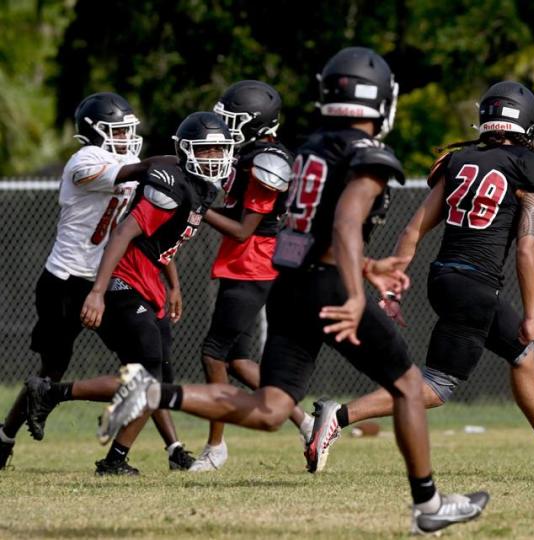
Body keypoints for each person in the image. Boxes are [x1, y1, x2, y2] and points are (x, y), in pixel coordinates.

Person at [96, 47, 488, 534]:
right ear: (381, 101)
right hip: (326, 286)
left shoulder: (309, 149)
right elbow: (345, 224)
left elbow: (310, 230)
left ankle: (154, 393)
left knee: (271, 408)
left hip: (289, 283)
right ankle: (428, 506)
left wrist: (365, 266)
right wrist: (354, 289)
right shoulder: (366, 156)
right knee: (410, 386)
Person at [308, 81, 534, 477]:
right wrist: (532, 312)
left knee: (521, 353)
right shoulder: (529, 166)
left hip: (443, 278)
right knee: (436, 386)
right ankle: (338, 416)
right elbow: (527, 247)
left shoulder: (459, 160)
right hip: (475, 286)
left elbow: (413, 230)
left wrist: (394, 282)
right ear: (529, 123)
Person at [23, 111, 234, 475]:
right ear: (187, 151)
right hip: (124, 279)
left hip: (149, 279)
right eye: (207, 150)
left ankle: (116, 459)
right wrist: (99, 292)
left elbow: (161, 241)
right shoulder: (171, 186)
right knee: (147, 376)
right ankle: (53, 394)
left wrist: (174, 283)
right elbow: (124, 234)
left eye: (220, 150)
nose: (215, 157)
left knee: (159, 381)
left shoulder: (202, 189)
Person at [0, 93, 192, 471]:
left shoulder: (134, 162)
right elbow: (127, 175)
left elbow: (148, 229)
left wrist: (172, 280)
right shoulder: (83, 161)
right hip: (68, 281)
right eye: (119, 130)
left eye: (128, 129)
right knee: (52, 367)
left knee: (145, 366)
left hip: (114, 279)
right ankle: (4, 438)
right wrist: (176, 162)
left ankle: (173, 448)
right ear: (96, 131)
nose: (127, 136)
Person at [190, 80, 313, 472]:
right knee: (241, 361)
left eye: (233, 120)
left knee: (212, 353)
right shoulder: (250, 155)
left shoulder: (268, 161)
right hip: (245, 260)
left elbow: (244, 229)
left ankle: (215, 447)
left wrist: (194, 206)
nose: (225, 126)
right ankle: (307, 422)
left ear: (255, 123)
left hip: (254, 262)